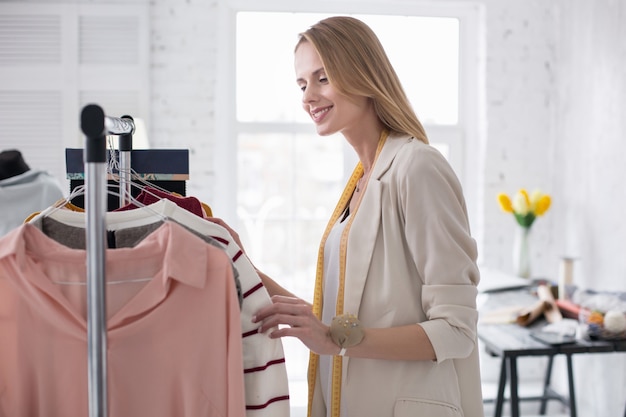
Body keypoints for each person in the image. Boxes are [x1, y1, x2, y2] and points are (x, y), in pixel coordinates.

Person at [209, 16, 483, 417]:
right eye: (302, 84)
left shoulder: (417, 168)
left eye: (322, 78)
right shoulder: (360, 184)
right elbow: (331, 324)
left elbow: (456, 331)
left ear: (362, 73)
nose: (308, 97)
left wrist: (338, 340)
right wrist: (239, 261)